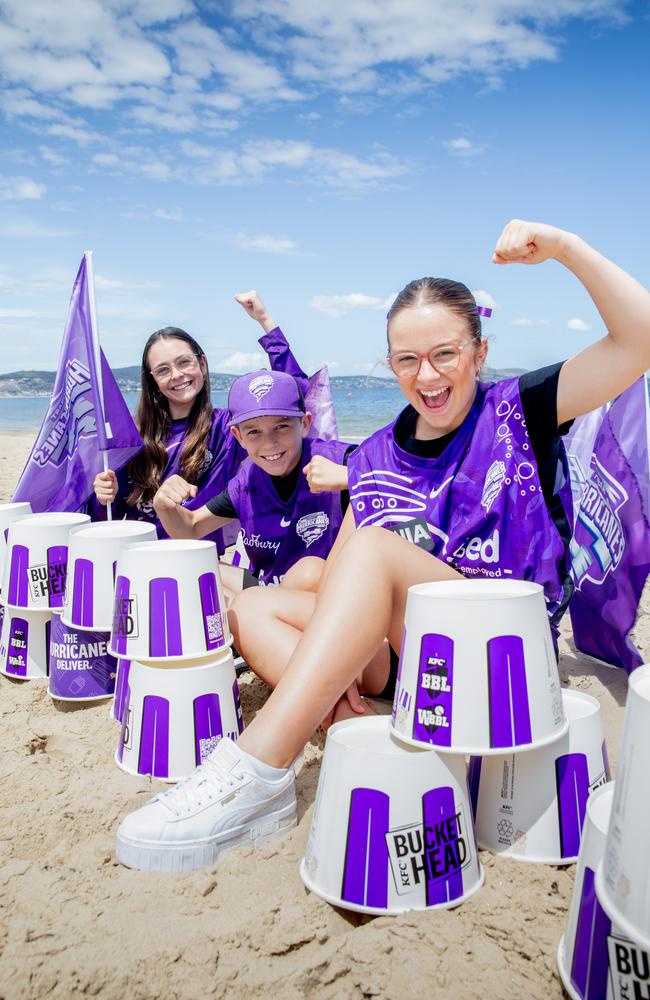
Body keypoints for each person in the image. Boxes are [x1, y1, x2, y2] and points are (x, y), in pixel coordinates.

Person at [116, 219, 650, 874]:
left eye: (445, 354)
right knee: (261, 605)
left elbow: (638, 339)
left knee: (365, 552)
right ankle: (343, 718)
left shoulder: (520, 408)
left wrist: (565, 249)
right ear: (390, 364)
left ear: (479, 354)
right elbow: (341, 573)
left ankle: (258, 769)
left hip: (504, 657)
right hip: (414, 664)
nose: (426, 375)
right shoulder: (374, 453)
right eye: (406, 360)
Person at [91, 292, 318, 551]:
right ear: (153, 380)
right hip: (141, 556)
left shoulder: (224, 427)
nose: (177, 375)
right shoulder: (131, 435)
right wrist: (103, 497)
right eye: (163, 370)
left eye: (184, 362)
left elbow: (292, 393)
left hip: (200, 558)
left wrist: (266, 323)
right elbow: (107, 515)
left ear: (202, 363)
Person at [152, 369, 353, 596]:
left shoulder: (340, 461)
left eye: (282, 426)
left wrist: (352, 478)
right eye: (254, 431)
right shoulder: (247, 481)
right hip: (268, 590)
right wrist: (164, 506)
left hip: (329, 596)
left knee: (309, 573)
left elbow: (397, 483)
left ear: (305, 423)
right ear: (239, 437)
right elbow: (192, 527)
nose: (269, 444)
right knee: (189, 567)